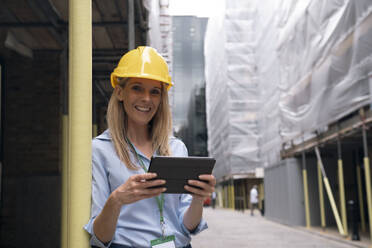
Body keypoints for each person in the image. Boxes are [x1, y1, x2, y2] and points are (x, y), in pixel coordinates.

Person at [84, 46, 216, 248]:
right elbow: (100, 237)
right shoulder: (101, 150)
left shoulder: (177, 149)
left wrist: (198, 198)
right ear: (120, 92)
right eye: (137, 88)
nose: (146, 99)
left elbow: (188, 226)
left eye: (154, 92)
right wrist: (117, 200)